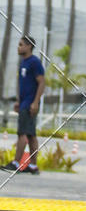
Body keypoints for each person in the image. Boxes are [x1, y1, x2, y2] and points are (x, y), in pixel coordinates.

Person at [1, 35, 45, 175]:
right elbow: (23, 85)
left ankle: (15, 163)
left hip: (30, 103)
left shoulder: (34, 62)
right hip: (24, 102)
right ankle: (33, 166)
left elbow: (42, 82)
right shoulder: (23, 63)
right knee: (31, 135)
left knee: (22, 133)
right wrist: (19, 101)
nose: (18, 47)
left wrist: (35, 102)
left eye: (21, 44)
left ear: (29, 46)